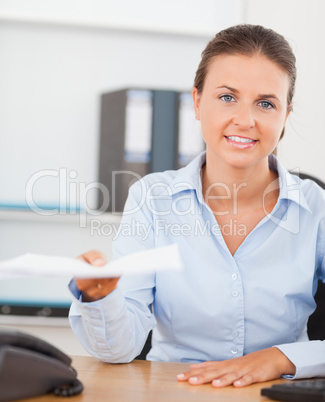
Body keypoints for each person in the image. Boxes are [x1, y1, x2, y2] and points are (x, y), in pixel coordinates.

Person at [69, 24, 325, 387]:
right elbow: (119, 349)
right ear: (197, 102)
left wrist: (279, 358)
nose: (245, 120)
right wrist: (99, 297)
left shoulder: (316, 207)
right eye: (227, 97)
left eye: (266, 103)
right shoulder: (152, 199)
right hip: (173, 389)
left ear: (285, 116)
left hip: (277, 391)